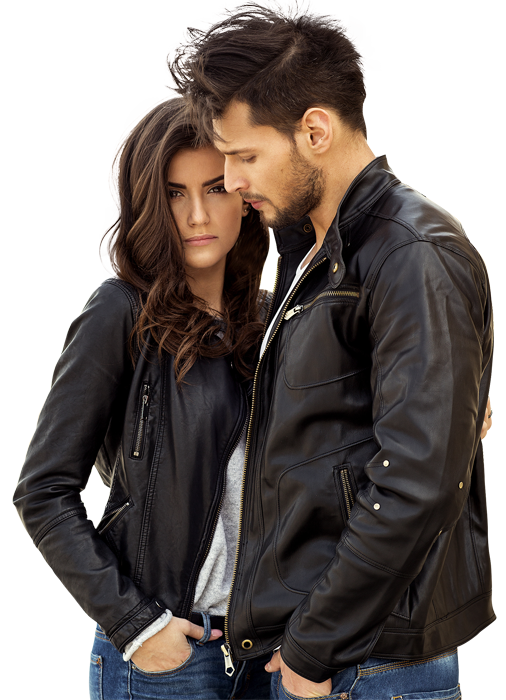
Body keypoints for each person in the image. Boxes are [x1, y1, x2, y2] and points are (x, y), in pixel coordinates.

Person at [168, 4, 495, 699]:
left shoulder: (412, 255)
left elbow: (417, 482)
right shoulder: (307, 251)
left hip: (364, 665)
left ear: (314, 131)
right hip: (314, 652)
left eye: (245, 156)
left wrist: (315, 649)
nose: (231, 180)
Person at [13, 97, 273, 699]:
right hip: (168, 657)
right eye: (175, 194)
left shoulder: (269, 319)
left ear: (244, 194)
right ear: (149, 204)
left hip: (264, 650)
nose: (197, 215)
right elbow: (44, 491)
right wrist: (136, 624)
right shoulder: (121, 312)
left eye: (215, 188)